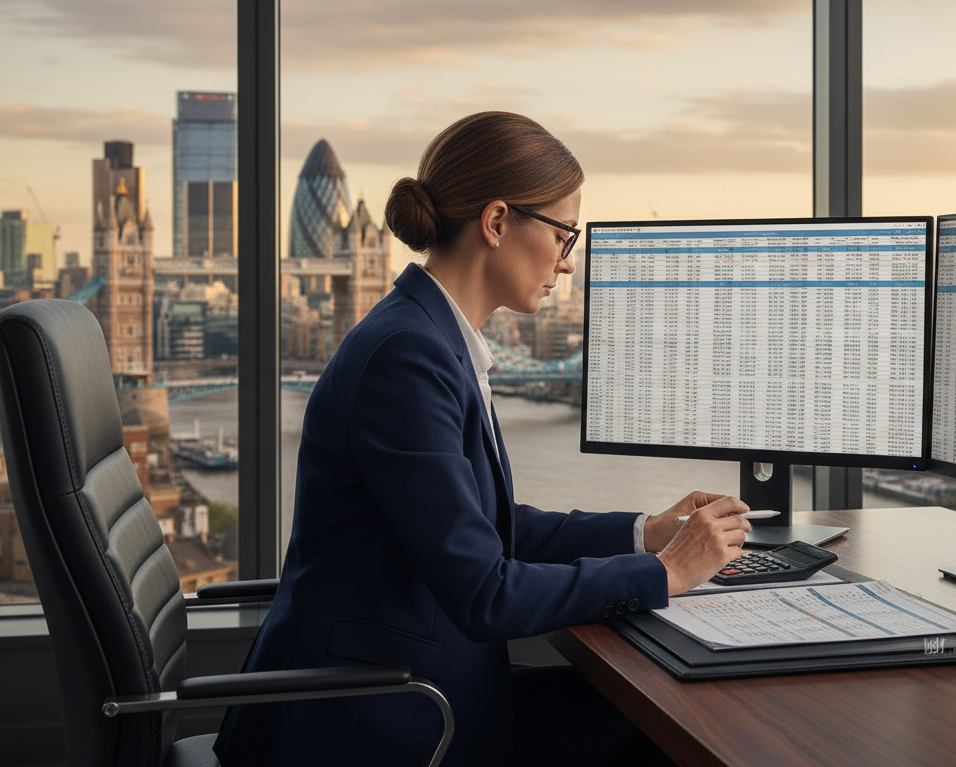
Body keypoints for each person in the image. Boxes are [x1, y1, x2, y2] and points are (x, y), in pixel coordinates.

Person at [213, 111, 752, 767]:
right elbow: (483, 592)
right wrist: (666, 573)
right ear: (497, 222)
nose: (567, 263)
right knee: (676, 729)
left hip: (420, 682)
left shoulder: (430, 338)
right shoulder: (407, 358)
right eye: (563, 235)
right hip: (372, 719)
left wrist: (644, 533)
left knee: (661, 714)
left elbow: (487, 527)